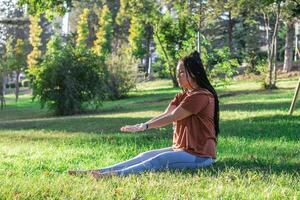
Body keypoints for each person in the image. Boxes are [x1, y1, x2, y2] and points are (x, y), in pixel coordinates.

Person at [68, 51, 220, 179]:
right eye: (177, 72)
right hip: (181, 150)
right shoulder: (182, 96)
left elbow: (172, 117)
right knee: (144, 155)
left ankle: (114, 175)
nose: (178, 76)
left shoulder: (201, 96)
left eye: (181, 72)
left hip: (200, 156)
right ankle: (97, 171)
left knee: (159, 160)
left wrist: (145, 126)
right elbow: (165, 114)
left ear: (194, 73)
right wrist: (141, 125)